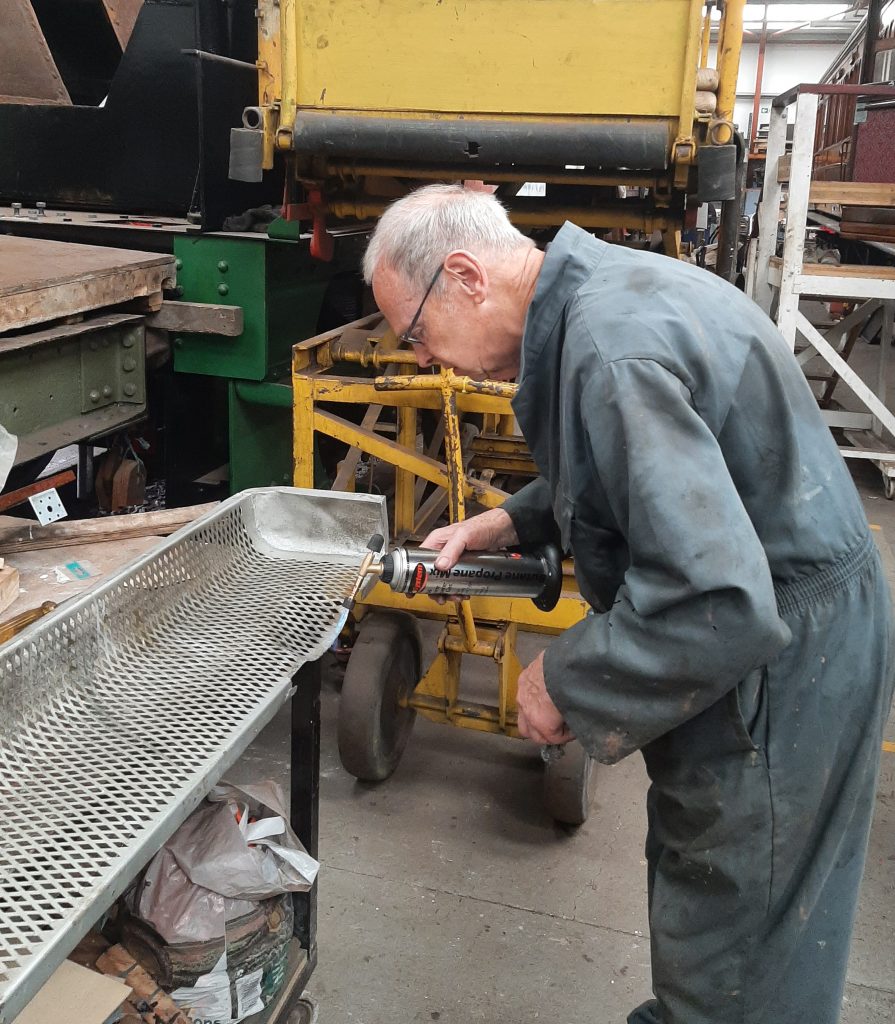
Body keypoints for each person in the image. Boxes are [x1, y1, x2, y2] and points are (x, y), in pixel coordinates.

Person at [361, 183, 894, 1024]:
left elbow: (713, 601)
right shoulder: (602, 293)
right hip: (810, 617)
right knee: (742, 915)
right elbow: (658, 462)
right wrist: (514, 515)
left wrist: (564, 681)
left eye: (415, 334)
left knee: (739, 945)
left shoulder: (610, 350)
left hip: (784, 662)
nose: (422, 359)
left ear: (464, 275)